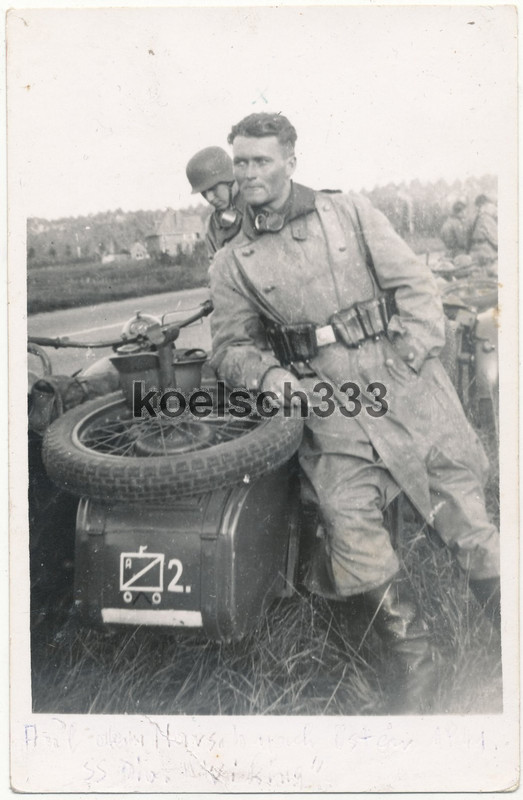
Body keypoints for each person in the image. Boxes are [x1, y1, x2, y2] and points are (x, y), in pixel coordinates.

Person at [208, 113, 500, 713]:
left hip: (405, 387)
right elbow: (229, 347)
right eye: (240, 162)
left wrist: (416, 350)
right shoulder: (232, 261)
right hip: (329, 405)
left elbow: (415, 285)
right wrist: (269, 375)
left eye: (262, 160)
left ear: (291, 159)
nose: (249, 173)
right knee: (348, 523)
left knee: (463, 514)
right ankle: (417, 664)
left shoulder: (349, 213)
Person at [186, 146, 244, 261]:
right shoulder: (213, 225)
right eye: (204, 193)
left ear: (229, 180)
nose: (210, 198)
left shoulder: (258, 204)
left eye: (213, 189)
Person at [468, 194, 498, 269]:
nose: (495, 209)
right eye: (493, 206)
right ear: (485, 206)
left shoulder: (476, 217)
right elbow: (496, 241)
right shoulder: (486, 218)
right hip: (485, 253)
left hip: (474, 252)